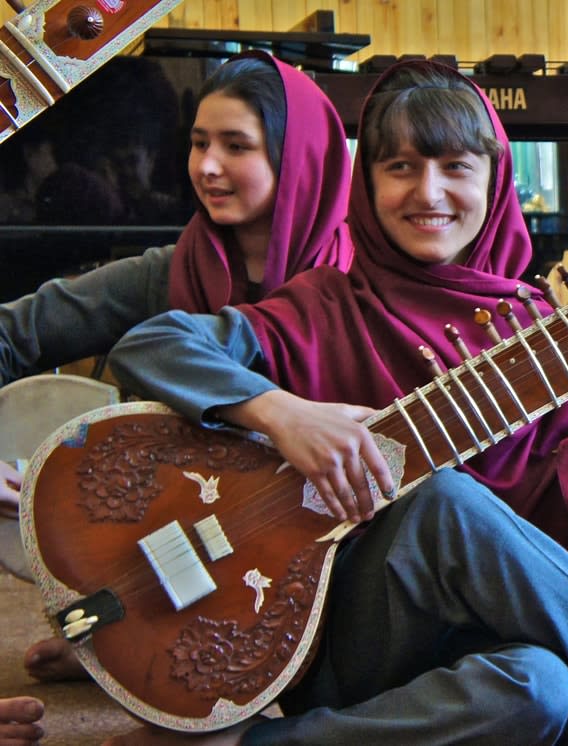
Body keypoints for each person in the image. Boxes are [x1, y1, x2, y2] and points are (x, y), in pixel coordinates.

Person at [102, 60, 568, 745]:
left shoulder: (540, 331)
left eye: (455, 167)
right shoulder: (318, 306)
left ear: (494, 182)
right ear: (369, 185)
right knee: (443, 500)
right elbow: (152, 346)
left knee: (543, 692)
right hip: (331, 632)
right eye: (399, 168)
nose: (428, 194)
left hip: (484, 635)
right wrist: (285, 415)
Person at [0, 49, 355, 743]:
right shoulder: (168, 273)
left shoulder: (359, 286)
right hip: (167, 538)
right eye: (198, 144)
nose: (208, 167)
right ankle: (126, 630)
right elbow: (12, 332)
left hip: (317, 564)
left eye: (236, 146)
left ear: (299, 159)